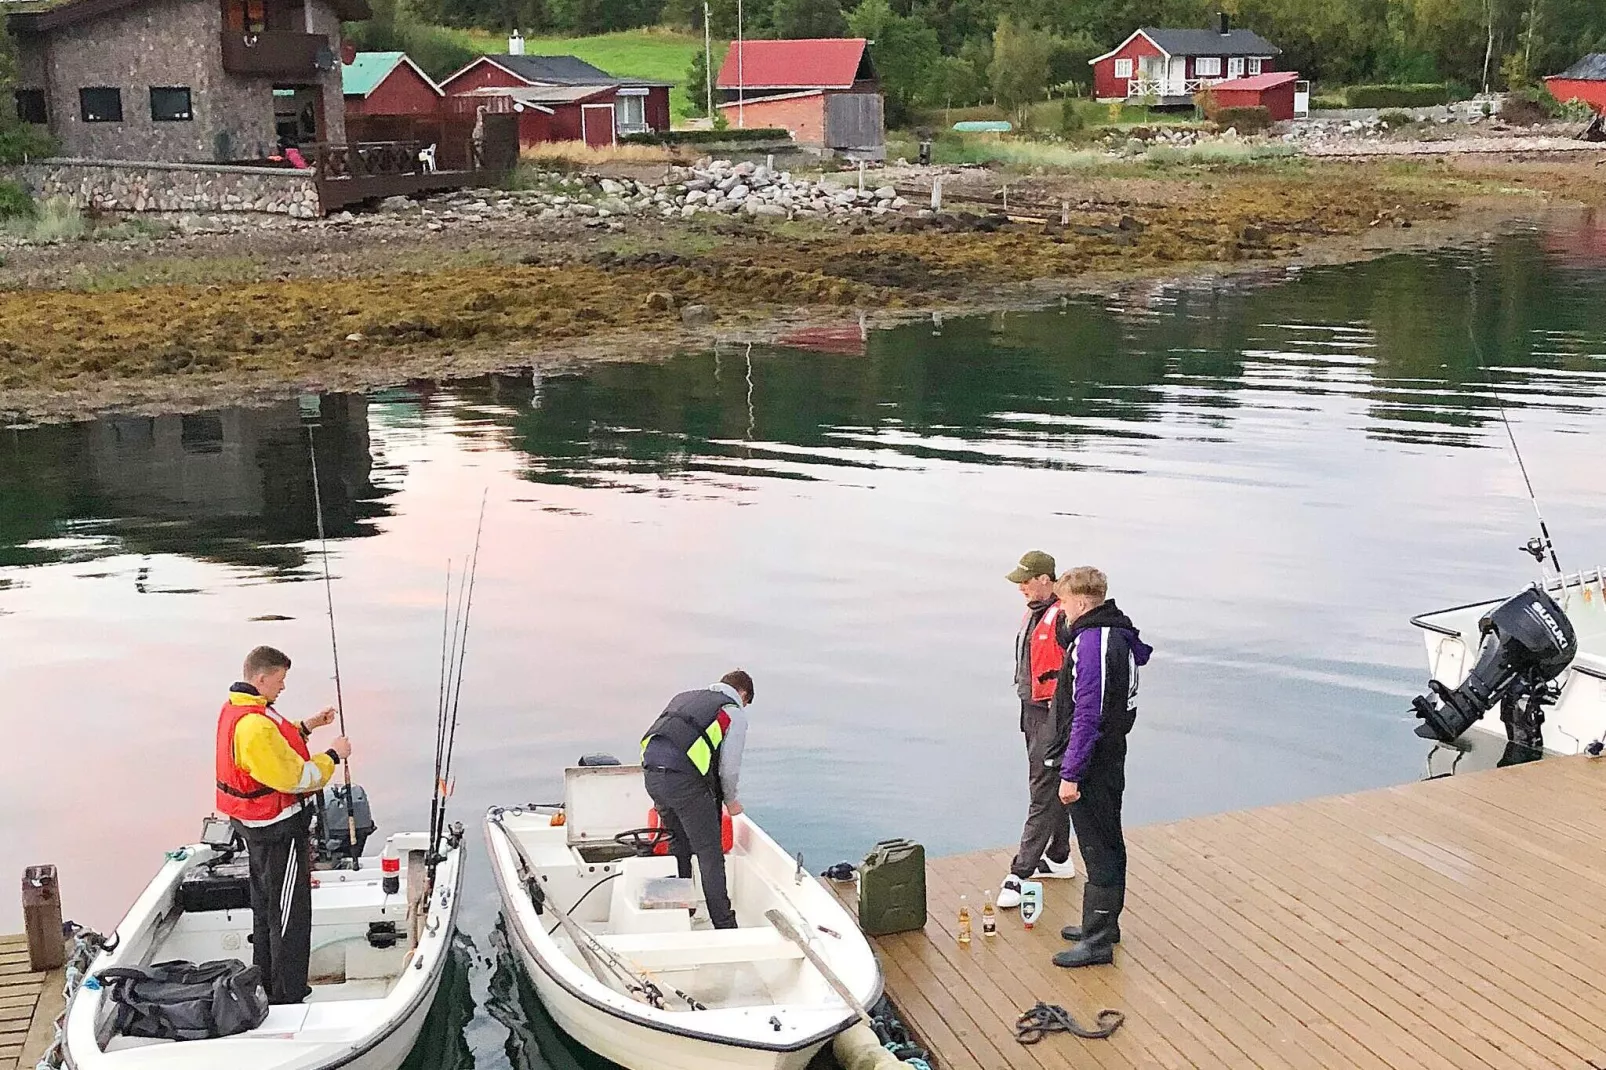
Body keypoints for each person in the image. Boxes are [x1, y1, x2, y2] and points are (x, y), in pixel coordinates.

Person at [215, 645, 351, 1004]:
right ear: (261, 678)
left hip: (253, 825)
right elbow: (296, 778)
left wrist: (308, 726)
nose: (283, 687)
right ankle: (288, 994)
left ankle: (266, 981)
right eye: (280, 680)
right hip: (277, 829)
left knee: (265, 906)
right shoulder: (254, 726)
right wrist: (333, 756)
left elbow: (276, 744)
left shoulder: (240, 709)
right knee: (289, 913)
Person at [1049, 567, 1152, 969]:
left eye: (1063, 603)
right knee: (1106, 838)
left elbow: (1088, 712)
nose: (1061, 611)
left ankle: (1098, 941)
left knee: (1098, 845)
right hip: (1108, 754)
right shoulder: (1113, 633)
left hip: (1095, 761)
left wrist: (1071, 772)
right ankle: (1103, 925)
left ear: (1078, 602)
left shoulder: (1094, 641)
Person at [640, 671, 753, 930]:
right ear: (743, 694)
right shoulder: (731, 711)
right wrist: (731, 801)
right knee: (709, 853)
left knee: (678, 841)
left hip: (651, 774)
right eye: (746, 703)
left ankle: (684, 909)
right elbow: (729, 768)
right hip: (684, 782)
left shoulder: (684, 698)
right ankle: (724, 925)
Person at [997, 550, 1077, 910]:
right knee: (1048, 783)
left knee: (1042, 790)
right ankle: (1059, 856)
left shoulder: (1063, 618)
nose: (1021, 589)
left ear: (1046, 580)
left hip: (1053, 717)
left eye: (1026, 582)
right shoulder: (1037, 612)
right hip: (1033, 712)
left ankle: (1020, 872)